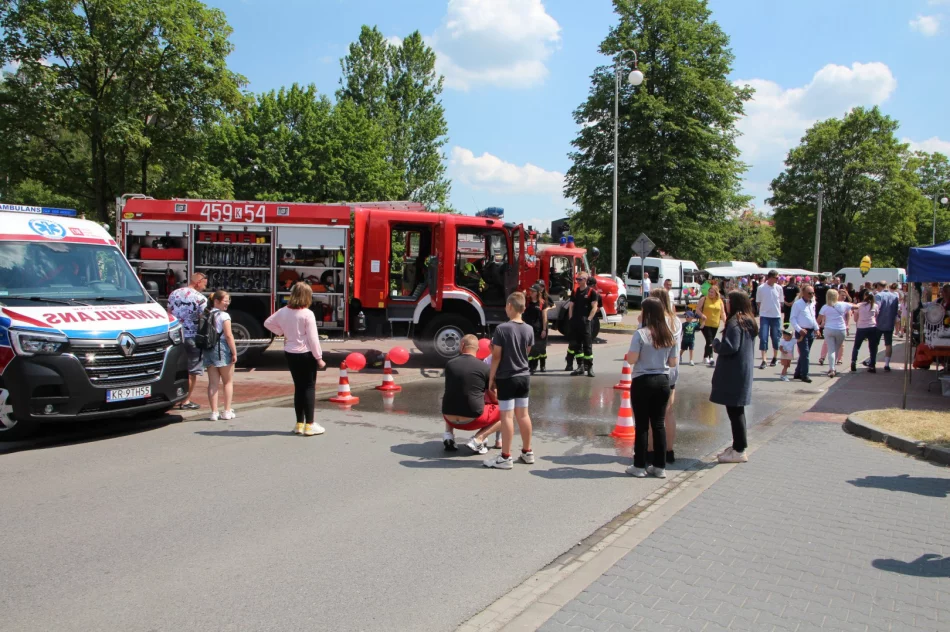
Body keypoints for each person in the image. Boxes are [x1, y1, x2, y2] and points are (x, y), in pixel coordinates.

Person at [624, 297, 677, 479]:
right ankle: (659, 466)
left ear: (646, 313)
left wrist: (634, 355)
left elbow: (632, 359)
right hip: (663, 380)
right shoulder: (668, 333)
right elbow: (673, 362)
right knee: (658, 423)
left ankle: (639, 465)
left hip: (643, 380)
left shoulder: (641, 334)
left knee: (642, 425)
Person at [264, 282, 327, 436]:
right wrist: (319, 358)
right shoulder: (307, 314)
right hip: (305, 353)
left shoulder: (283, 311)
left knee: (298, 387)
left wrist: (281, 332)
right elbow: (313, 339)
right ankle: (310, 424)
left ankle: (299, 423)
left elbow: (268, 323)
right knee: (309, 387)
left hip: (290, 352)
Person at [484, 292, 535, 470]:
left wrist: (491, 379)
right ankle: (527, 452)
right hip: (524, 376)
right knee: (523, 415)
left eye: (506, 306)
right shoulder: (529, 329)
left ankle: (505, 456)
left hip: (506, 377)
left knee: (507, 416)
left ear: (510, 306)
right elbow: (526, 351)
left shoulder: (502, 329)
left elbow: (496, 356)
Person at [710, 291, 757, 463]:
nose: (726, 303)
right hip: (742, 370)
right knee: (737, 411)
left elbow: (731, 347)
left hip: (734, 372)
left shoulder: (735, 322)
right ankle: (738, 445)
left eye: (728, 300)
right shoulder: (748, 321)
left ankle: (739, 449)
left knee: (735, 411)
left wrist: (716, 344)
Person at [441, 335, 501, 454]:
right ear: (478, 350)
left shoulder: (450, 364)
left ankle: (448, 435)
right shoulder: (484, 368)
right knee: (507, 412)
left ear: (462, 346)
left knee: (453, 395)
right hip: (473, 420)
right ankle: (478, 439)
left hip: (448, 417)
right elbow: (493, 394)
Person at [167, 272, 208, 410]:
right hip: (192, 337)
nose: (204, 287)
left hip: (175, 336)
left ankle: (172, 397)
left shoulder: (174, 294)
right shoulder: (200, 298)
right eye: (204, 284)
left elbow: (168, 313)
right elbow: (204, 318)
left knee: (176, 369)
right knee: (192, 371)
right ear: (198, 282)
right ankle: (185, 401)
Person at [649, 287, 680, 464]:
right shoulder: (676, 321)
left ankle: (651, 450)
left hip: (653, 370)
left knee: (650, 414)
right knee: (668, 412)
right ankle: (669, 451)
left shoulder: (651, 322)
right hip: (671, 372)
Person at [202, 290, 238, 421]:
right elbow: (229, 335)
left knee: (213, 383)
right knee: (228, 381)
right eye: (225, 300)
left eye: (229, 300)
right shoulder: (224, 316)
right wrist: (234, 352)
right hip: (222, 348)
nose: (227, 303)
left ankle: (213, 412)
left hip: (208, 349)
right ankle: (227, 411)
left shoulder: (206, 314)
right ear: (216, 301)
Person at [565, 274, 599, 377]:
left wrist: (589, 319)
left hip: (585, 321)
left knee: (587, 345)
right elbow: (571, 305)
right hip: (575, 321)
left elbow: (594, 307)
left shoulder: (591, 292)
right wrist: (570, 318)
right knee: (576, 345)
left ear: (585, 280)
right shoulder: (575, 291)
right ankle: (580, 367)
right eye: (577, 279)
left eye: (580, 279)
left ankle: (589, 368)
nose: (578, 281)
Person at [817, 289, 852, 378]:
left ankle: (831, 368)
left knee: (831, 349)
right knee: (836, 349)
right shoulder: (843, 304)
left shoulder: (825, 307)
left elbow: (818, 320)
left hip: (829, 329)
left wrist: (816, 328)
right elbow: (855, 306)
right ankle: (833, 367)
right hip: (840, 329)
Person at [790, 284, 818, 383]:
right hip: (802, 331)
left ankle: (797, 372)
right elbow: (792, 318)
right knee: (805, 353)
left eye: (813, 293)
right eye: (810, 293)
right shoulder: (798, 304)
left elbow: (813, 317)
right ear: (804, 293)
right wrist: (799, 329)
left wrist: (817, 328)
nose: (812, 295)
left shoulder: (812, 303)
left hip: (810, 331)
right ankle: (804, 374)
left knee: (804, 353)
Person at [756, 270, 784, 370]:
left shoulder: (779, 288)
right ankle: (764, 360)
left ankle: (775, 357)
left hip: (776, 316)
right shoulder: (761, 288)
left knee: (775, 337)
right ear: (770, 277)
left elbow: (780, 302)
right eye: (777, 278)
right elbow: (758, 302)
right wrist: (763, 310)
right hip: (764, 316)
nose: (778, 279)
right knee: (763, 337)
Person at [851, 291, 880, 373]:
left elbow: (855, 319)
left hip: (861, 327)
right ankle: (872, 365)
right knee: (872, 347)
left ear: (864, 296)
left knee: (857, 346)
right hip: (872, 327)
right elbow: (876, 315)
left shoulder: (859, 305)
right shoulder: (875, 305)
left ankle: (853, 361)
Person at [874, 281, 900, 372]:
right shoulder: (895, 296)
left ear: (879, 286)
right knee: (888, 344)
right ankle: (887, 364)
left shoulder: (878, 296)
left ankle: (872, 361)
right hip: (890, 322)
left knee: (875, 343)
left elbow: (877, 308)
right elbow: (897, 310)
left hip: (878, 322)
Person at [524, 284, 549, 374]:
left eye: (533, 291)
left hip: (539, 329)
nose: (531, 293)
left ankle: (542, 365)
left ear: (538, 293)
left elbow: (544, 317)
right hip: (530, 329)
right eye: (530, 291)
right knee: (532, 348)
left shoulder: (542, 303)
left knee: (541, 348)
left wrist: (544, 330)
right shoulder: (528, 302)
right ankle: (532, 366)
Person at [697, 285, 724, 367]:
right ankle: (710, 357)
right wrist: (702, 315)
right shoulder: (704, 299)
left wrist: (725, 322)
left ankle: (706, 357)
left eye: (712, 292)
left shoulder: (719, 301)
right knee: (710, 340)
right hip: (705, 323)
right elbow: (697, 309)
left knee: (710, 340)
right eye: (709, 292)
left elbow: (723, 313)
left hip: (715, 324)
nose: (710, 293)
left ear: (716, 293)